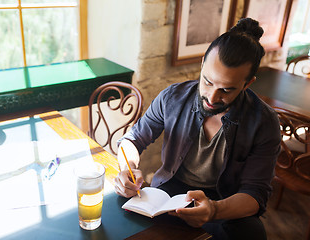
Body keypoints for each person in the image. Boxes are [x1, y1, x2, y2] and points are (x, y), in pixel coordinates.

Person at [114, 18, 281, 240]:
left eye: (226, 90)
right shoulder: (172, 97)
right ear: (203, 64)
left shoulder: (264, 122)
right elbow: (132, 140)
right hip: (169, 191)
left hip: (223, 200)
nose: (212, 98)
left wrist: (214, 210)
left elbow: (255, 194)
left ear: (247, 83)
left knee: (252, 232)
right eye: (208, 82)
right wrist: (128, 168)